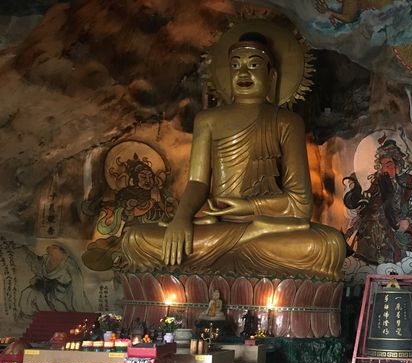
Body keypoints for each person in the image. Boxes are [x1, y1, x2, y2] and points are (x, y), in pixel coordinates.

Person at [120, 23, 345, 280]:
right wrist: (181, 219)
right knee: (136, 238)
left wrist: (249, 206)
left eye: (254, 64)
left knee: (329, 245)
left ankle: (211, 266)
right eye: (236, 65)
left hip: (264, 230)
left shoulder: (286, 122)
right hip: (216, 226)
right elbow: (197, 182)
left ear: (272, 77)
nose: (243, 72)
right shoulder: (207, 120)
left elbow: (300, 203)